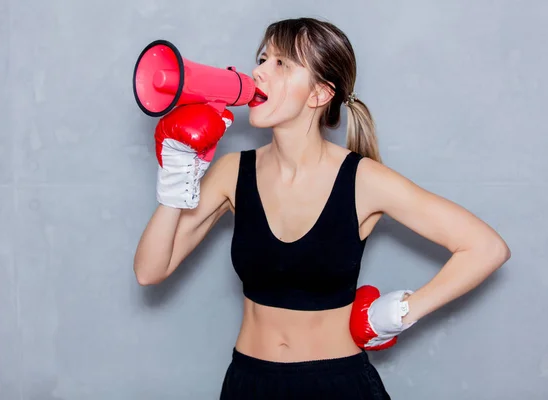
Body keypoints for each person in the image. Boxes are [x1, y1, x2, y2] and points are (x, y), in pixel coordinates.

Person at [133, 17, 511, 399]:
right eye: (262, 58)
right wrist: (173, 186)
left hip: (338, 386)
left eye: (281, 64)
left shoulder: (364, 180)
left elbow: (486, 248)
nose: (259, 71)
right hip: (249, 383)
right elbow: (150, 271)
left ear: (319, 94)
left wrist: (401, 313)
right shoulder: (233, 172)